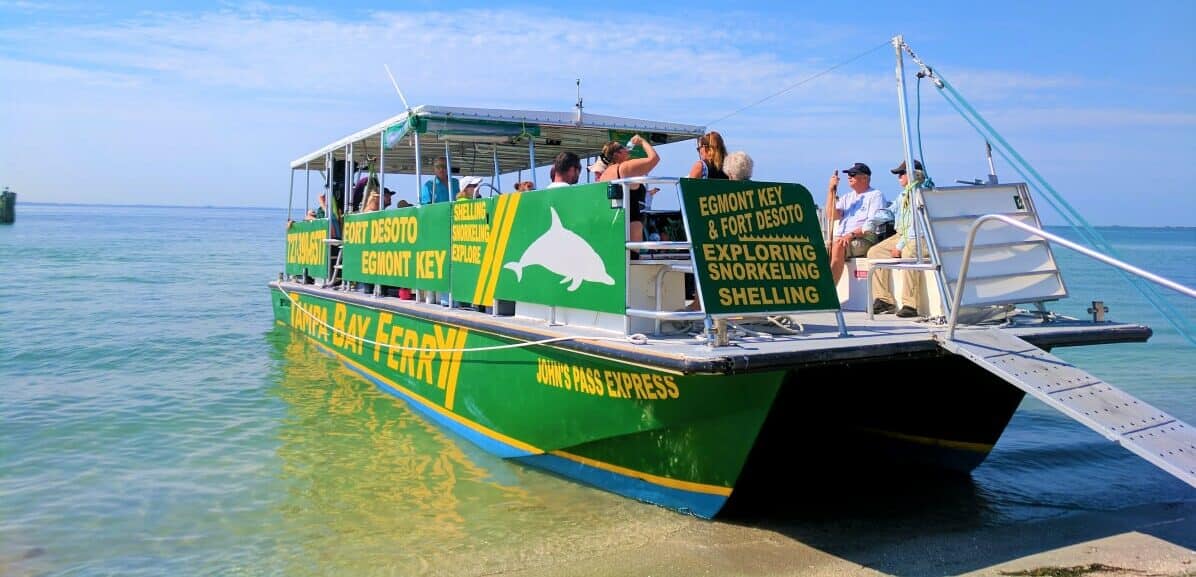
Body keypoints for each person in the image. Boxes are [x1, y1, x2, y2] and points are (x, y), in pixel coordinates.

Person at [868, 160, 926, 318]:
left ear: (915, 174)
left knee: (909, 254)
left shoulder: (921, 194)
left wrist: (899, 246)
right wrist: (870, 223)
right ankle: (884, 300)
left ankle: (910, 305)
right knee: (875, 253)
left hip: (921, 237)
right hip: (904, 235)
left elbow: (916, 226)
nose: (898, 177)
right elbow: (890, 212)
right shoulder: (903, 195)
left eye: (902, 173)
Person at [598, 134, 660, 256]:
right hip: (632, 228)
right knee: (632, 265)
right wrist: (642, 141)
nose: (626, 149)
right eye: (622, 147)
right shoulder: (625, 167)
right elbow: (654, 158)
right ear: (616, 154)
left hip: (613, 226)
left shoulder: (604, 175)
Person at [825, 162, 886, 284]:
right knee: (819, 250)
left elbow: (871, 224)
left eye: (853, 174)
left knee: (837, 245)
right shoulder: (847, 197)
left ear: (865, 178)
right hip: (843, 238)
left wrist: (850, 235)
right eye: (848, 174)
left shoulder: (875, 195)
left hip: (864, 239)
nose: (849, 177)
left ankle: (829, 292)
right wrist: (831, 191)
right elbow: (831, 215)